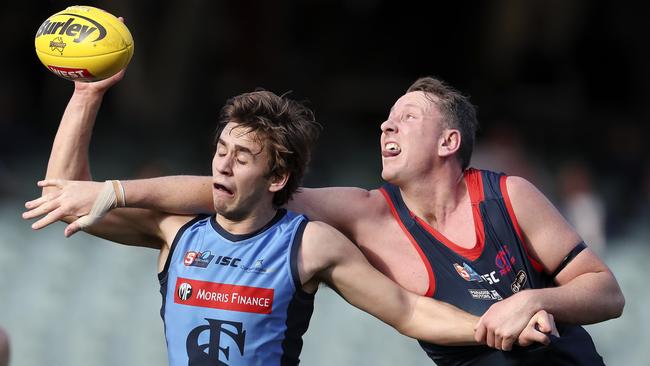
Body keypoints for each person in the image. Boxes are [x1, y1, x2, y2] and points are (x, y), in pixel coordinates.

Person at [22, 73, 556, 365]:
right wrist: (85, 96)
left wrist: (494, 328)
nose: (222, 165)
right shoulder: (174, 230)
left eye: (243, 157)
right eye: (221, 150)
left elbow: (408, 311)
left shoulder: (311, 244)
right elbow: (66, 196)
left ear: (276, 179)